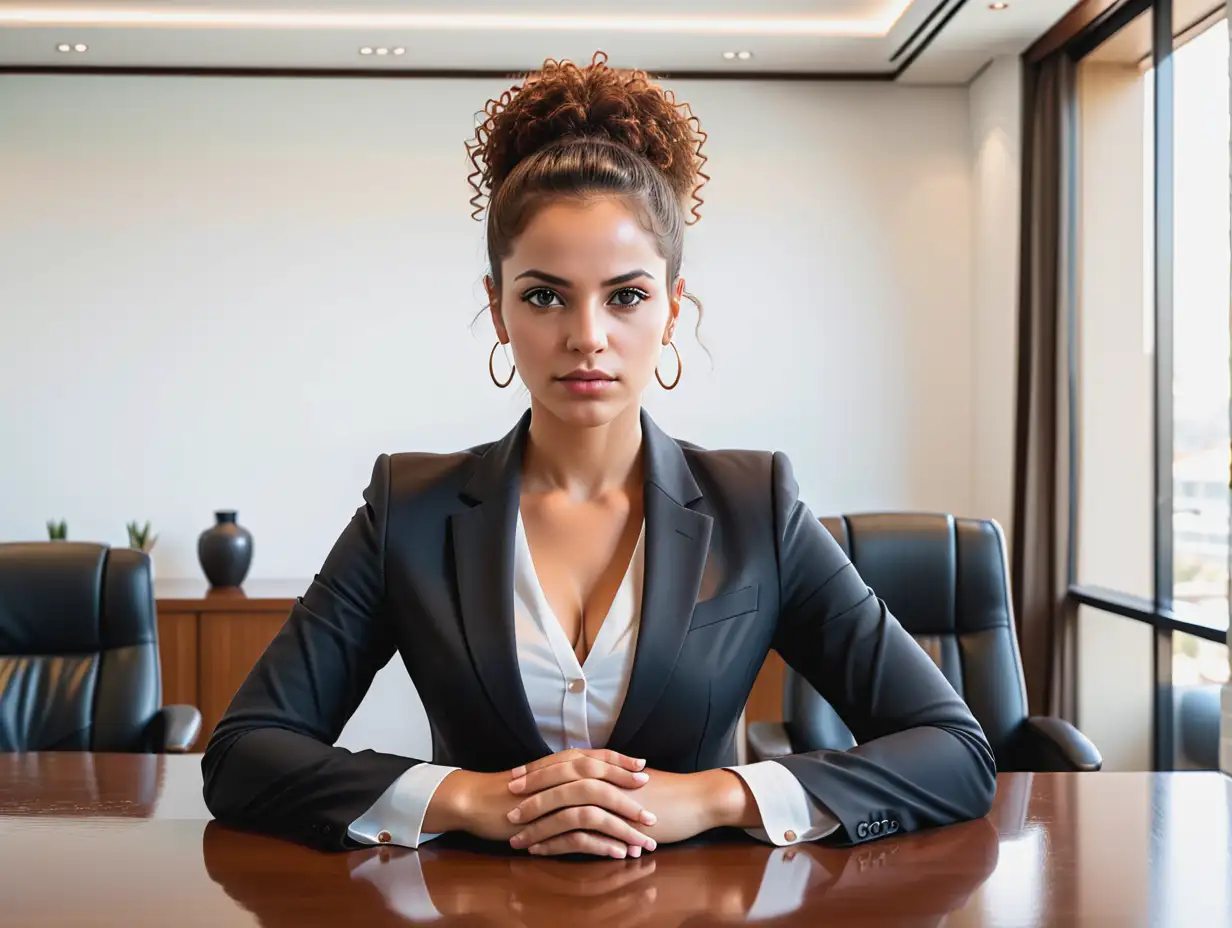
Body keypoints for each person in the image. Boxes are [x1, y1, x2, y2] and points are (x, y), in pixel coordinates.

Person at [201, 51, 996, 860]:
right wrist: (469, 798)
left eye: (626, 295)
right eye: (544, 295)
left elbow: (953, 750)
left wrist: (716, 795)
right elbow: (244, 754)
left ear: (672, 307)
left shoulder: (754, 505)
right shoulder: (411, 507)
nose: (587, 336)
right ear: (498, 309)